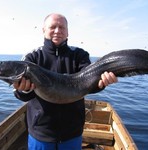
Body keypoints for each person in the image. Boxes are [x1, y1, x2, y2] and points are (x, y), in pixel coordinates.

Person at [13, 13, 118, 150]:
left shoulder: (80, 55)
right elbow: (21, 94)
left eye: (62, 27)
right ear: (43, 30)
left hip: (72, 133)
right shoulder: (31, 58)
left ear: (67, 32)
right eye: (53, 27)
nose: (57, 31)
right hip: (40, 133)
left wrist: (102, 83)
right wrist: (24, 89)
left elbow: (90, 85)